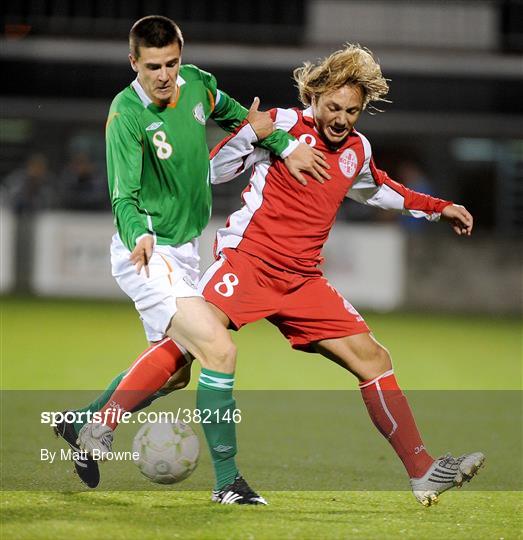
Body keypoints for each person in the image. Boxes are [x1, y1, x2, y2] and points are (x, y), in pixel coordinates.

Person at [63, 43, 484, 506]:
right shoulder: (282, 125)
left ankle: (422, 472)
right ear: (315, 96)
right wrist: (249, 135)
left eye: (353, 111)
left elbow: (379, 189)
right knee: (183, 353)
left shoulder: (356, 150)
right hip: (248, 263)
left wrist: (438, 207)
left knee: (374, 360)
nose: (342, 119)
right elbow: (210, 170)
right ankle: (99, 422)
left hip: (303, 281)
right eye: (333, 107)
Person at [53, 15, 329, 501]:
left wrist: (282, 143)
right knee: (218, 349)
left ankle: (80, 424)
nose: (164, 76)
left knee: (178, 370)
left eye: (172, 63)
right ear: (133, 62)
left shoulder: (198, 84)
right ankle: (227, 483)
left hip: (185, 253)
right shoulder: (126, 114)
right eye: (153, 66)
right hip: (147, 251)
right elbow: (123, 196)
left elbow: (241, 115)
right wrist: (138, 233)